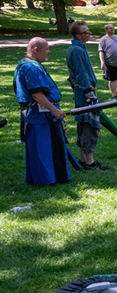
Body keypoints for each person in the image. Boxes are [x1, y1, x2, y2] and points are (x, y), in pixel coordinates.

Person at [13, 37, 70, 185]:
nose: (49, 52)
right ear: (36, 49)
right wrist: (54, 111)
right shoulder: (30, 67)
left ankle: (54, 177)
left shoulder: (28, 64)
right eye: (47, 49)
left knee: (52, 146)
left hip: (43, 114)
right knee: (43, 149)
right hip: (40, 115)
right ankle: (45, 180)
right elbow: (37, 94)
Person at [67, 21, 109, 170]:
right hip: (85, 93)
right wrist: (89, 93)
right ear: (78, 35)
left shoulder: (78, 48)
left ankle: (83, 159)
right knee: (90, 125)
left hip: (84, 91)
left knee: (84, 123)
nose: (89, 34)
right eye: (86, 32)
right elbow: (80, 73)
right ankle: (90, 162)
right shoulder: (76, 50)